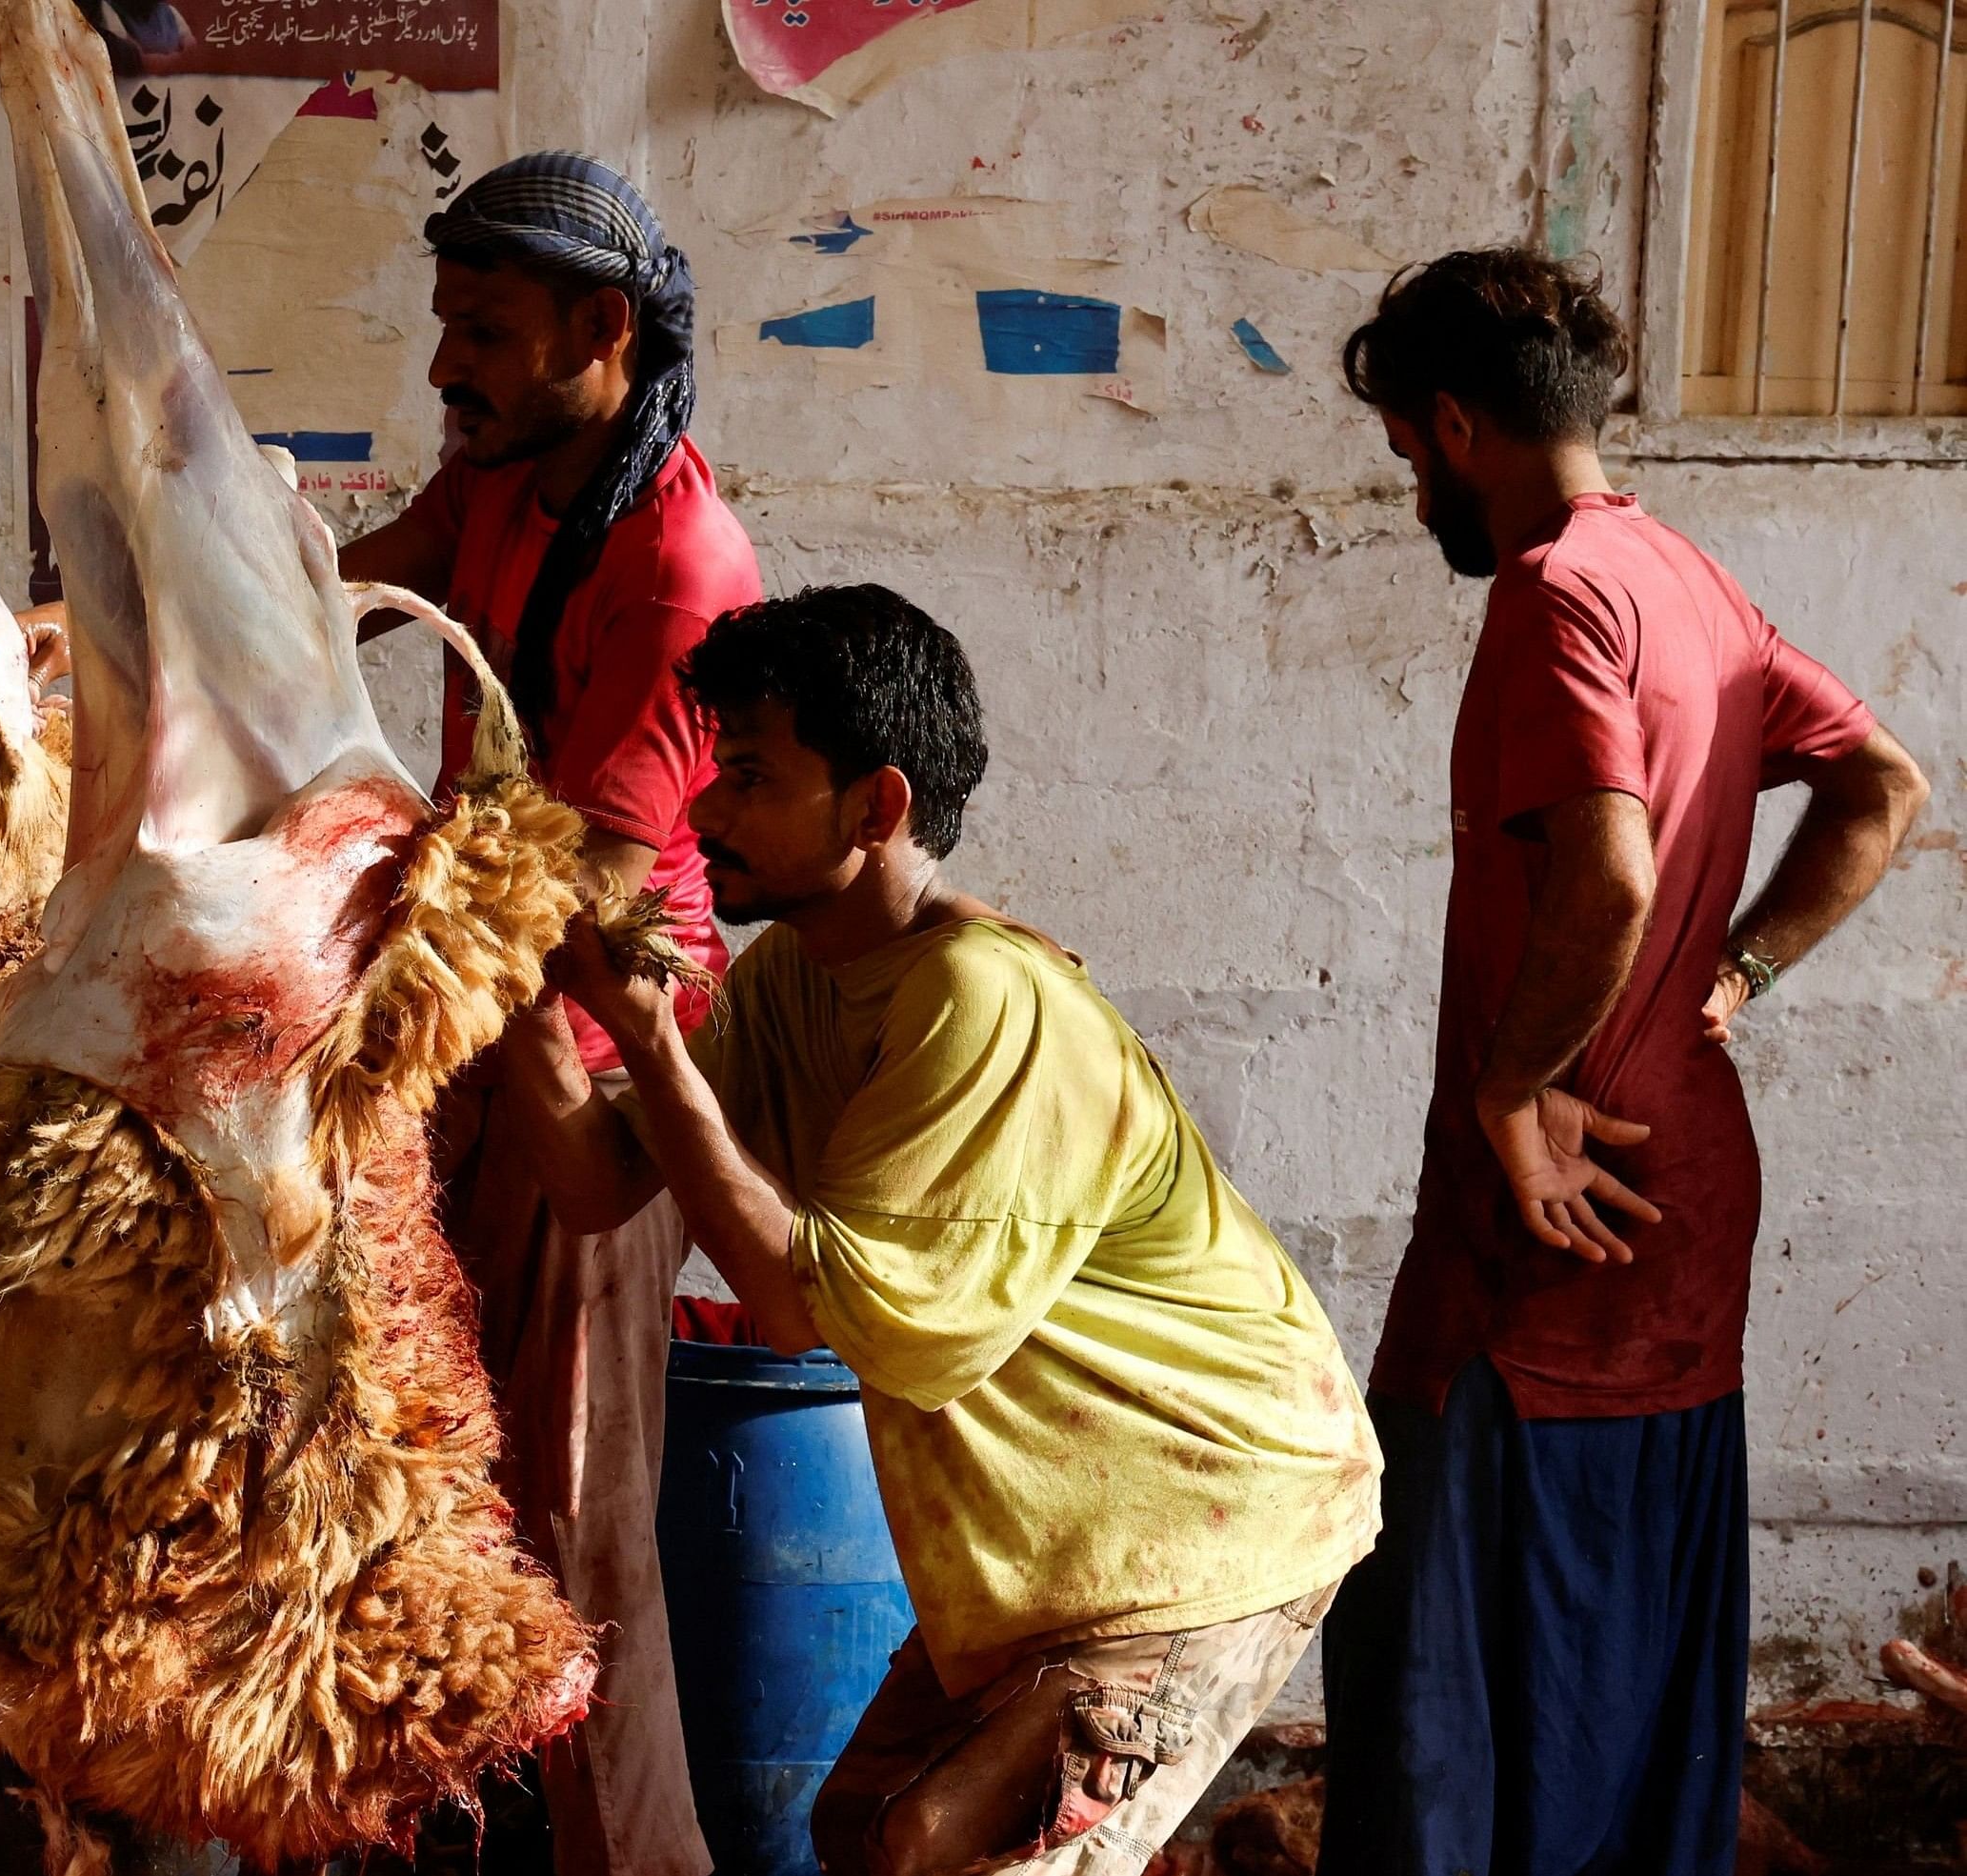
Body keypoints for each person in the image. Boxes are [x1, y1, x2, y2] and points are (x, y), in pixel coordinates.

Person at [503, 585, 1384, 1876]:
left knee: (937, 1852)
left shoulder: (985, 1002)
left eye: (750, 776)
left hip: (1203, 1523)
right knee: (866, 1831)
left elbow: (812, 1313)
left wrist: (646, 1037)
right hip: (1051, 1555)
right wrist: (514, 983)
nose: (703, 813)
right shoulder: (799, 976)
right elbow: (595, 1181)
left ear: (879, 807)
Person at [1318, 251, 1929, 1876]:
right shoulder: (1692, 581)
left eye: (1400, 447)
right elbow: (1881, 780)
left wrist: (1509, 1089)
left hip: (1552, 1233)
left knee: (1442, 1693)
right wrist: (1739, 973)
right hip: (1681, 1215)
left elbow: (1610, 874)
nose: (1408, 483)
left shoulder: (1555, 593)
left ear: (1453, 423)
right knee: (1621, 1684)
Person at [335, 149, 758, 1876]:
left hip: (595, 1055)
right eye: (445, 325)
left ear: (603, 328)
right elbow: (370, 579)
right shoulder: (506, 466)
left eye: (486, 333)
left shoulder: (675, 565)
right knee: (430, 1469)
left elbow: (561, 872)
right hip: (477, 1015)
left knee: (581, 1536)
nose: (449, 366)